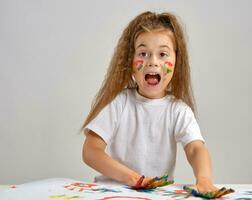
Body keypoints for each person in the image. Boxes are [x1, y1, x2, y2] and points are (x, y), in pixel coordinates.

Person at [81, 11, 218, 193]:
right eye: (143, 53)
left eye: (162, 54)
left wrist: (204, 180)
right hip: (113, 192)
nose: (153, 62)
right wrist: (133, 178)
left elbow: (195, 149)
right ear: (130, 61)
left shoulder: (178, 111)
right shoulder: (119, 103)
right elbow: (91, 151)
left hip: (156, 195)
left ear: (177, 62)